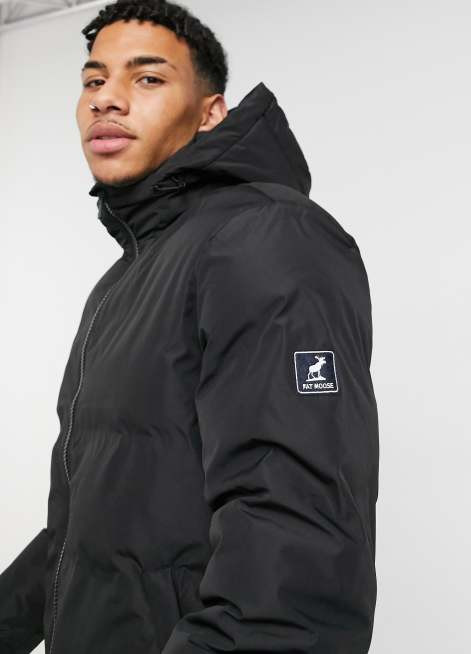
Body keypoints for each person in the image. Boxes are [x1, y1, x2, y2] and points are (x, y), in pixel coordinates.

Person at [0, 1, 380, 653]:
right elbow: (88, 531)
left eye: (147, 78)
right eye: (94, 80)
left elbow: (298, 548)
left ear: (210, 114)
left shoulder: (265, 238)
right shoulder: (126, 279)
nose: (106, 99)